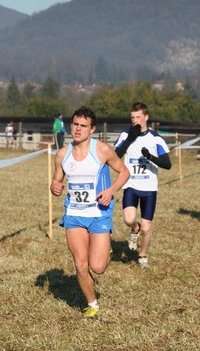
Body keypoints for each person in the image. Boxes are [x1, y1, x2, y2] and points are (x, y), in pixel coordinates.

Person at [50, 106, 130, 318]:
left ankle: (107, 251)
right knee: (80, 263)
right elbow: (56, 181)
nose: (77, 129)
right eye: (75, 124)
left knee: (98, 267)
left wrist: (111, 190)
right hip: (74, 214)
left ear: (92, 129)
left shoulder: (102, 150)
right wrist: (55, 187)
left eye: (83, 126)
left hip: (98, 214)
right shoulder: (62, 154)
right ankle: (92, 304)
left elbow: (124, 172)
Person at [114, 102, 172, 267]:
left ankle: (142, 255)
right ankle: (134, 228)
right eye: (133, 117)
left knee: (146, 228)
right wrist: (130, 139)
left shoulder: (155, 138)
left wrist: (151, 157)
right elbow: (115, 156)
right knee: (128, 219)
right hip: (131, 185)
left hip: (149, 189)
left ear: (146, 117)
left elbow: (167, 164)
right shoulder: (125, 134)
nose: (135, 120)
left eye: (139, 117)